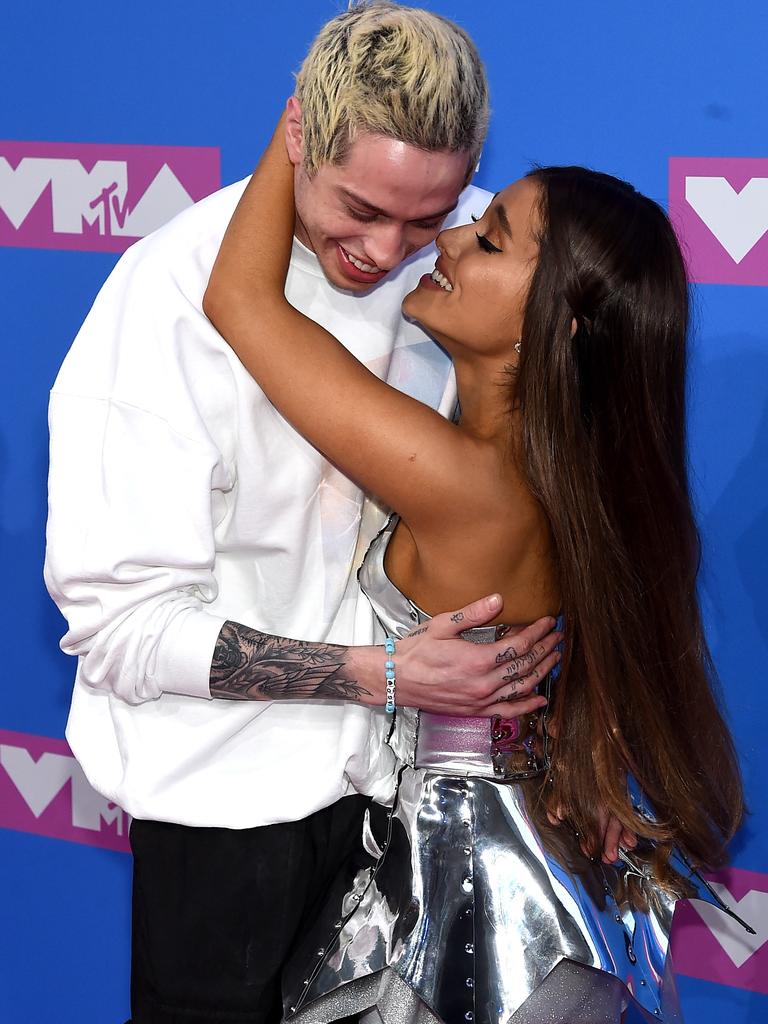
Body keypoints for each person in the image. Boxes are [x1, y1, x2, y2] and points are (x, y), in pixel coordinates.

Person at [43, 5, 562, 1023]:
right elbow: (124, 631)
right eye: (360, 207)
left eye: (432, 214)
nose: (390, 248)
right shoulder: (169, 297)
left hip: (405, 819)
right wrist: (383, 674)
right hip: (229, 828)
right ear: (299, 140)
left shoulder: (479, 263)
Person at [202, 121, 749, 1023]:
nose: (449, 239)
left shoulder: (472, 486)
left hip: (471, 916)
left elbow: (241, 302)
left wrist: (303, 126)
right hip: (524, 880)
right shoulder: (568, 479)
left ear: (563, 322)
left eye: (489, 237)